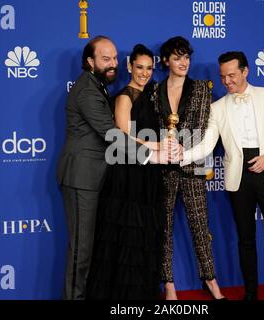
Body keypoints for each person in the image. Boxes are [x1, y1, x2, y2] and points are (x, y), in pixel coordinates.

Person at [179, 51, 264, 300]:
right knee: (245, 238)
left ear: (245, 71)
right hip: (238, 176)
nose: (227, 81)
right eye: (223, 77)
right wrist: (181, 156)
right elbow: (207, 145)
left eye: (232, 75)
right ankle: (251, 293)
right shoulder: (218, 107)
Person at [56, 36, 167, 300]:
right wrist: (153, 156)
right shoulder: (87, 90)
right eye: (106, 59)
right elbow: (111, 134)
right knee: (80, 253)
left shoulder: (99, 85)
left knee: (88, 251)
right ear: (89, 61)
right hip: (82, 177)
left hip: (96, 178)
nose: (113, 63)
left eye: (115, 58)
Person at [86, 44, 165, 300]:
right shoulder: (124, 96)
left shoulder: (152, 95)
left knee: (144, 236)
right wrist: (158, 146)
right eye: (139, 67)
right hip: (127, 175)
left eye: (149, 68)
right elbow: (122, 137)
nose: (144, 73)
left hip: (148, 174)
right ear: (130, 67)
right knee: (126, 235)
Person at [150, 36, 225, 300]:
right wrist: (163, 150)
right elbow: (152, 130)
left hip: (193, 165)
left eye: (187, 57)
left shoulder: (202, 89)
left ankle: (211, 280)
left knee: (200, 227)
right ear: (166, 60)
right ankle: (168, 283)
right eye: (177, 57)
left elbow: (205, 129)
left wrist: (185, 151)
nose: (183, 62)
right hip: (163, 169)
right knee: (164, 228)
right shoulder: (154, 90)